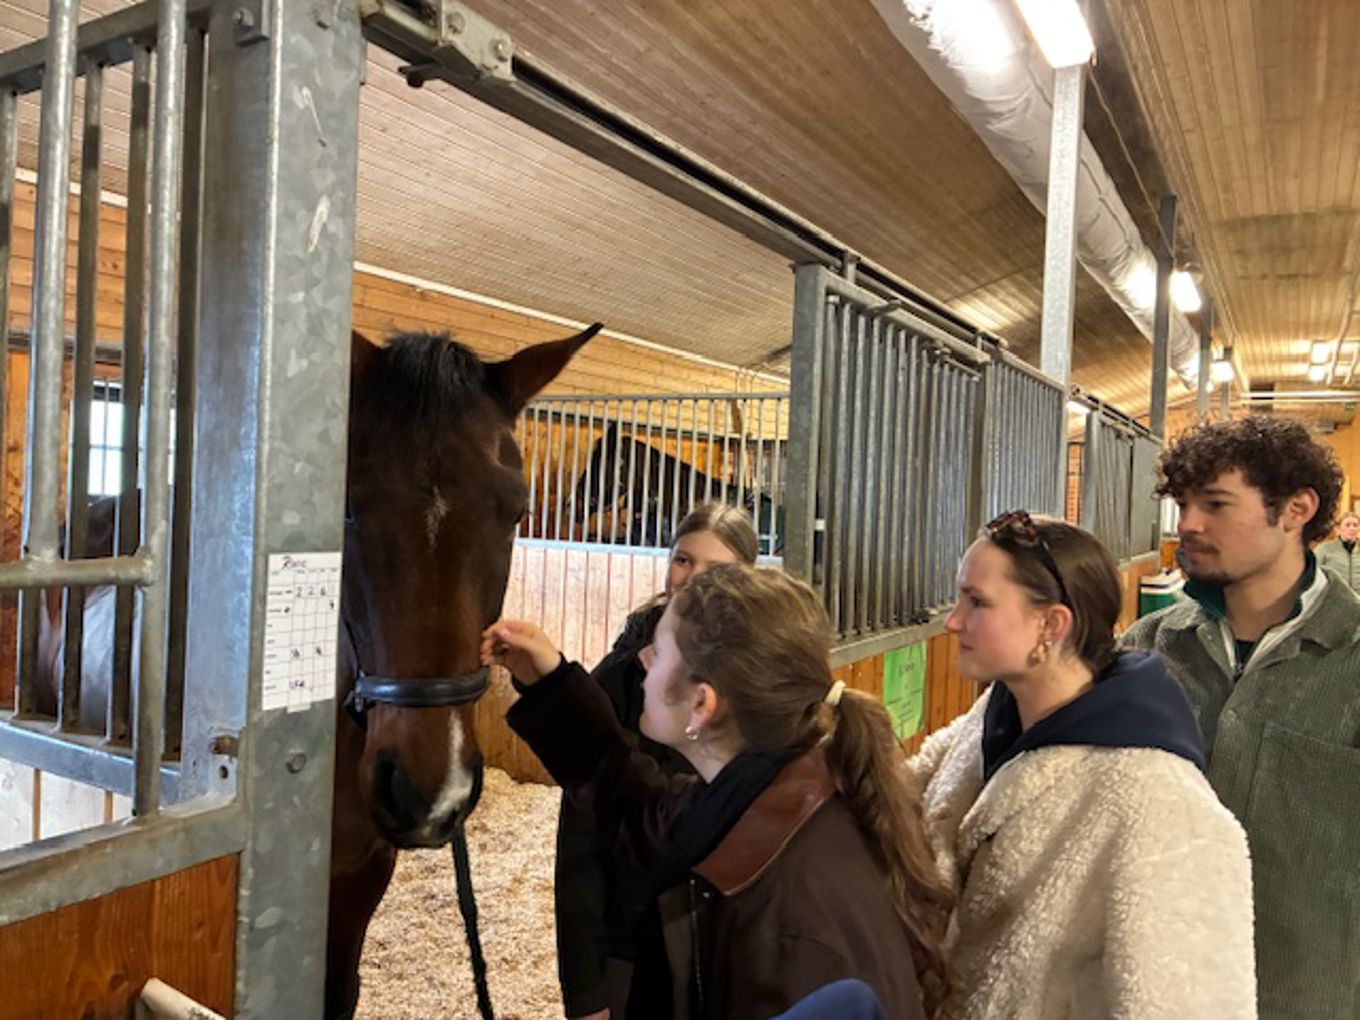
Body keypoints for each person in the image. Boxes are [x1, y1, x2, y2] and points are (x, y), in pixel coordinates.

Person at [483, 564, 951, 1020]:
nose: (642, 659)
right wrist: (550, 682)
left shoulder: (785, 933)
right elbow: (642, 807)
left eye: (659, 652)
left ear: (703, 704)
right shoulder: (779, 793)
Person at [911, 510, 1255, 1019]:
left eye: (977, 602)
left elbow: (1188, 1003)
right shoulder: (996, 714)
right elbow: (906, 791)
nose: (953, 620)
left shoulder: (1158, 798)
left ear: (1051, 624)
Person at [1122, 416, 1360, 1020]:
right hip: (1160, 987)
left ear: (1296, 509)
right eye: (1182, 504)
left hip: (1306, 995)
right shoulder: (1148, 647)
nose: (1188, 525)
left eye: (1216, 504)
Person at [554, 503, 758, 1020]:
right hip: (635, 943)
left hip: (728, 946)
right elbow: (581, 845)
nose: (692, 581)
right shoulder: (622, 681)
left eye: (717, 570)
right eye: (684, 560)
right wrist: (585, 992)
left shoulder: (761, 688)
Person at [1315, 509, 1360, 592]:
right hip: (1332, 600)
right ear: (1338, 529)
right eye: (1347, 525)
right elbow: (1312, 575)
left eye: (1355, 525)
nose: (1352, 528)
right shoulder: (1324, 549)